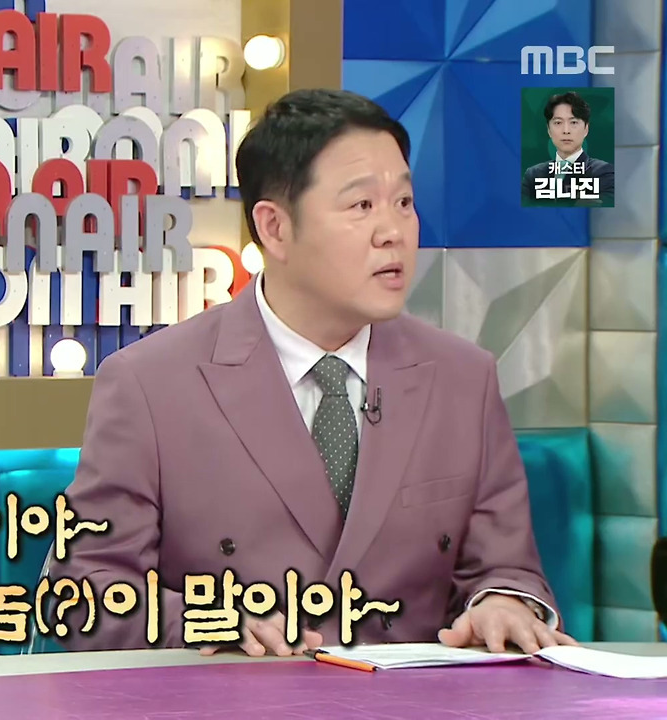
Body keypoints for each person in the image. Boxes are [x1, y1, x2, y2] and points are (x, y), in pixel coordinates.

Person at [52, 89, 576, 657]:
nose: (394, 231)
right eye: (361, 206)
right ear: (275, 228)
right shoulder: (150, 385)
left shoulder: (462, 378)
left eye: (403, 202)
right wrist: (200, 622)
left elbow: (505, 568)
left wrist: (502, 603)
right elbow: (84, 594)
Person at [520, 90, 614, 206]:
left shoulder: (603, 171)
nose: (566, 131)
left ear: (586, 129)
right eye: (558, 123)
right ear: (548, 130)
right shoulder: (532, 174)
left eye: (573, 122)